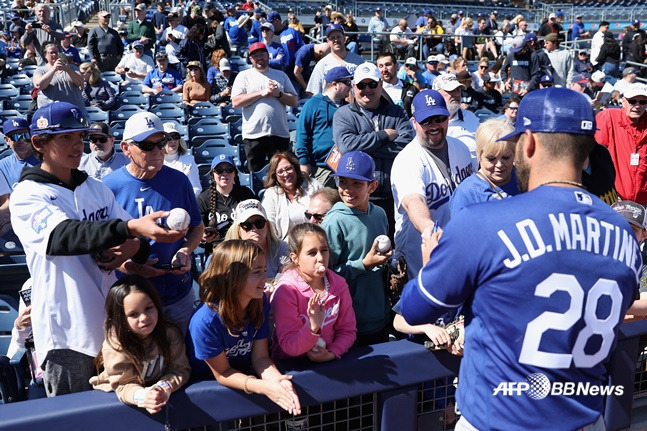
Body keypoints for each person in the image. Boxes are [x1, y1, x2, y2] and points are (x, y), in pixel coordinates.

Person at [400, 86, 641, 431]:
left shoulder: (482, 222)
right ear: (586, 154)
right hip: (586, 420)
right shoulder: (623, 232)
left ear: (527, 144)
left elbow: (415, 308)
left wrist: (430, 263)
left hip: (497, 421)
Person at [11, 102, 182, 396]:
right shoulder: (27, 195)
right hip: (68, 333)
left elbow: (136, 241)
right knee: (76, 419)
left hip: (115, 329)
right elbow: (64, 236)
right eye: (66, 137)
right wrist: (130, 231)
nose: (78, 144)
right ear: (39, 142)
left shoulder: (96, 188)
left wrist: (132, 246)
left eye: (80, 136)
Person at [103, 112, 204, 333]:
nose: (158, 151)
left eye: (161, 143)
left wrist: (185, 251)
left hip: (176, 292)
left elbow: (197, 226)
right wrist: (129, 266)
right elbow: (101, 248)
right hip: (132, 300)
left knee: (182, 360)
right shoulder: (108, 187)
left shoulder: (179, 180)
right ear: (126, 148)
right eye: (147, 146)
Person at [187, 240, 301, 416]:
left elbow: (261, 358)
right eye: (256, 272)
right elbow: (222, 373)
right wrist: (263, 387)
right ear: (231, 278)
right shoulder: (205, 322)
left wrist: (277, 381)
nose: (265, 278)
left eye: (264, 270)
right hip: (209, 399)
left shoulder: (259, 301)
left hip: (246, 382)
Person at [391, 90, 473, 279]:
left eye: (439, 118)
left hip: (458, 245)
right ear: (414, 123)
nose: (434, 125)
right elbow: (413, 201)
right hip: (421, 251)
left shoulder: (461, 148)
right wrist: (429, 229)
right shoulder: (408, 160)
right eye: (426, 121)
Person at [333, 63, 414, 237]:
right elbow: (346, 147)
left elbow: (407, 144)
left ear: (381, 85)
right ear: (354, 87)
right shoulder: (344, 114)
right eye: (362, 85)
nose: (367, 89)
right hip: (359, 199)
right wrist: (384, 136)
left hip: (395, 195)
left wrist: (364, 150)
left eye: (372, 84)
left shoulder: (397, 112)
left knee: (396, 249)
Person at [90, 275, 191, 413]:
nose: (144, 318)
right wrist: (144, 397)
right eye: (134, 314)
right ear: (120, 319)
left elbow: (181, 369)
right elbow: (123, 385)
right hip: (118, 402)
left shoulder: (170, 334)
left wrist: (163, 388)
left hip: (155, 391)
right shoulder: (115, 345)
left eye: (149, 308)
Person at [322, 151, 391, 346]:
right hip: (349, 322)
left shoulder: (379, 213)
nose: (348, 190)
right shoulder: (334, 221)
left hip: (380, 313)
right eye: (343, 181)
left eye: (357, 184)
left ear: (373, 186)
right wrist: (364, 264)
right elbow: (325, 277)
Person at [271, 222, 356, 362]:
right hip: (292, 366)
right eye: (312, 253)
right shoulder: (286, 291)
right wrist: (313, 327)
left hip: (329, 361)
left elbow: (347, 331)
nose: (321, 258)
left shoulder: (339, 285)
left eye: (324, 250)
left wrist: (332, 353)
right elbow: (289, 345)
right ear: (295, 257)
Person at [231, 42, 298, 172]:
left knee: (281, 173)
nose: (259, 58)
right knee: (256, 174)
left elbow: (294, 101)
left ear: (268, 55)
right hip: (254, 135)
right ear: (250, 59)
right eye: (255, 56)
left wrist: (278, 93)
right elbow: (236, 102)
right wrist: (261, 93)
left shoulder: (281, 75)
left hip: (279, 134)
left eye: (262, 54)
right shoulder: (243, 76)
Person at [449, 118, 519, 216]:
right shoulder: (466, 194)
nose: (499, 165)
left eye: (506, 157)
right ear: (478, 154)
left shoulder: (523, 181)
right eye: (491, 159)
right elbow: (458, 230)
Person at [296, 66, 352, 188]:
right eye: (347, 82)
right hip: (320, 168)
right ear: (334, 84)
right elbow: (302, 134)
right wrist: (303, 162)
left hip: (344, 167)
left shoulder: (348, 107)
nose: (350, 86)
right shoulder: (313, 104)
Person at [595, 83, 647, 204]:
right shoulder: (609, 117)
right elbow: (595, 154)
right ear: (623, 101)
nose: (637, 106)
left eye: (643, 102)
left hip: (643, 200)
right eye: (633, 101)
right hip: (613, 197)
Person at [198, 154, 256, 250]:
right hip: (218, 250)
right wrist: (203, 237)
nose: (224, 174)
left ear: (235, 173)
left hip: (243, 247)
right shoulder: (203, 199)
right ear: (213, 174)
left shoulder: (246, 194)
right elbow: (197, 230)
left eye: (229, 170)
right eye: (219, 171)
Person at [261, 152, 322, 241]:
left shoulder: (313, 185)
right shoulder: (271, 194)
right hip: (284, 246)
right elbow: (269, 227)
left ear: (295, 168)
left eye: (288, 168)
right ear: (275, 176)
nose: (286, 174)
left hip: (314, 239)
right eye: (280, 172)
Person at [224, 199, 289, 280]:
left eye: (259, 223)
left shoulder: (282, 249)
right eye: (247, 224)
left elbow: (288, 282)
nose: (254, 229)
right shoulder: (226, 254)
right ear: (238, 229)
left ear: (267, 225)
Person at [432, 73, 479, 168]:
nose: (457, 94)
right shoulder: (426, 122)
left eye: (458, 90)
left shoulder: (470, 118)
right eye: (451, 90)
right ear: (436, 93)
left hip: (470, 177)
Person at [305, 24, 363, 96]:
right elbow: (314, 92)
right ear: (328, 41)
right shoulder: (322, 64)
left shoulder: (359, 61)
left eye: (338, 37)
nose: (336, 40)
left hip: (354, 105)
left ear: (344, 39)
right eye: (332, 38)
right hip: (330, 105)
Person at [33, 42, 86, 115]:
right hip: (50, 113)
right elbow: (39, 85)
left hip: (74, 112)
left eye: (56, 52)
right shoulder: (41, 70)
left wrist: (68, 69)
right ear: (45, 55)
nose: (54, 55)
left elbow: (80, 82)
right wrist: (53, 69)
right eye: (51, 53)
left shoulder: (72, 68)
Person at [162, 122, 201, 196]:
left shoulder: (189, 161)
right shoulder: (156, 162)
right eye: (168, 138)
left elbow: (196, 188)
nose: (173, 141)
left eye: (176, 137)